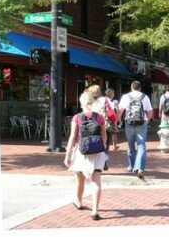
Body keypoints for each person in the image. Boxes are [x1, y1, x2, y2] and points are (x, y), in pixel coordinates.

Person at [63, 91, 107, 221]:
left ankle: (79, 202)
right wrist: (102, 147)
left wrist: (68, 155)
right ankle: (95, 210)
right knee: (96, 181)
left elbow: (72, 137)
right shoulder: (100, 118)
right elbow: (104, 136)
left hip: (81, 152)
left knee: (80, 180)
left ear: (81, 102)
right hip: (97, 152)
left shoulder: (77, 117)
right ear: (93, 103)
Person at [117, 81, 153, 178]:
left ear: (131, 88)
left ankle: (132, 166)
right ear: (140, 88)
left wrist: (119, 120)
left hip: (129, 123)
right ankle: (139, 167)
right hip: (141, 124)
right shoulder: (144, 97)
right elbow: (150, 112)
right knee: (141, 145)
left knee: (130, 145)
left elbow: (120, 110)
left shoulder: (126, 96)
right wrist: (147, 120)